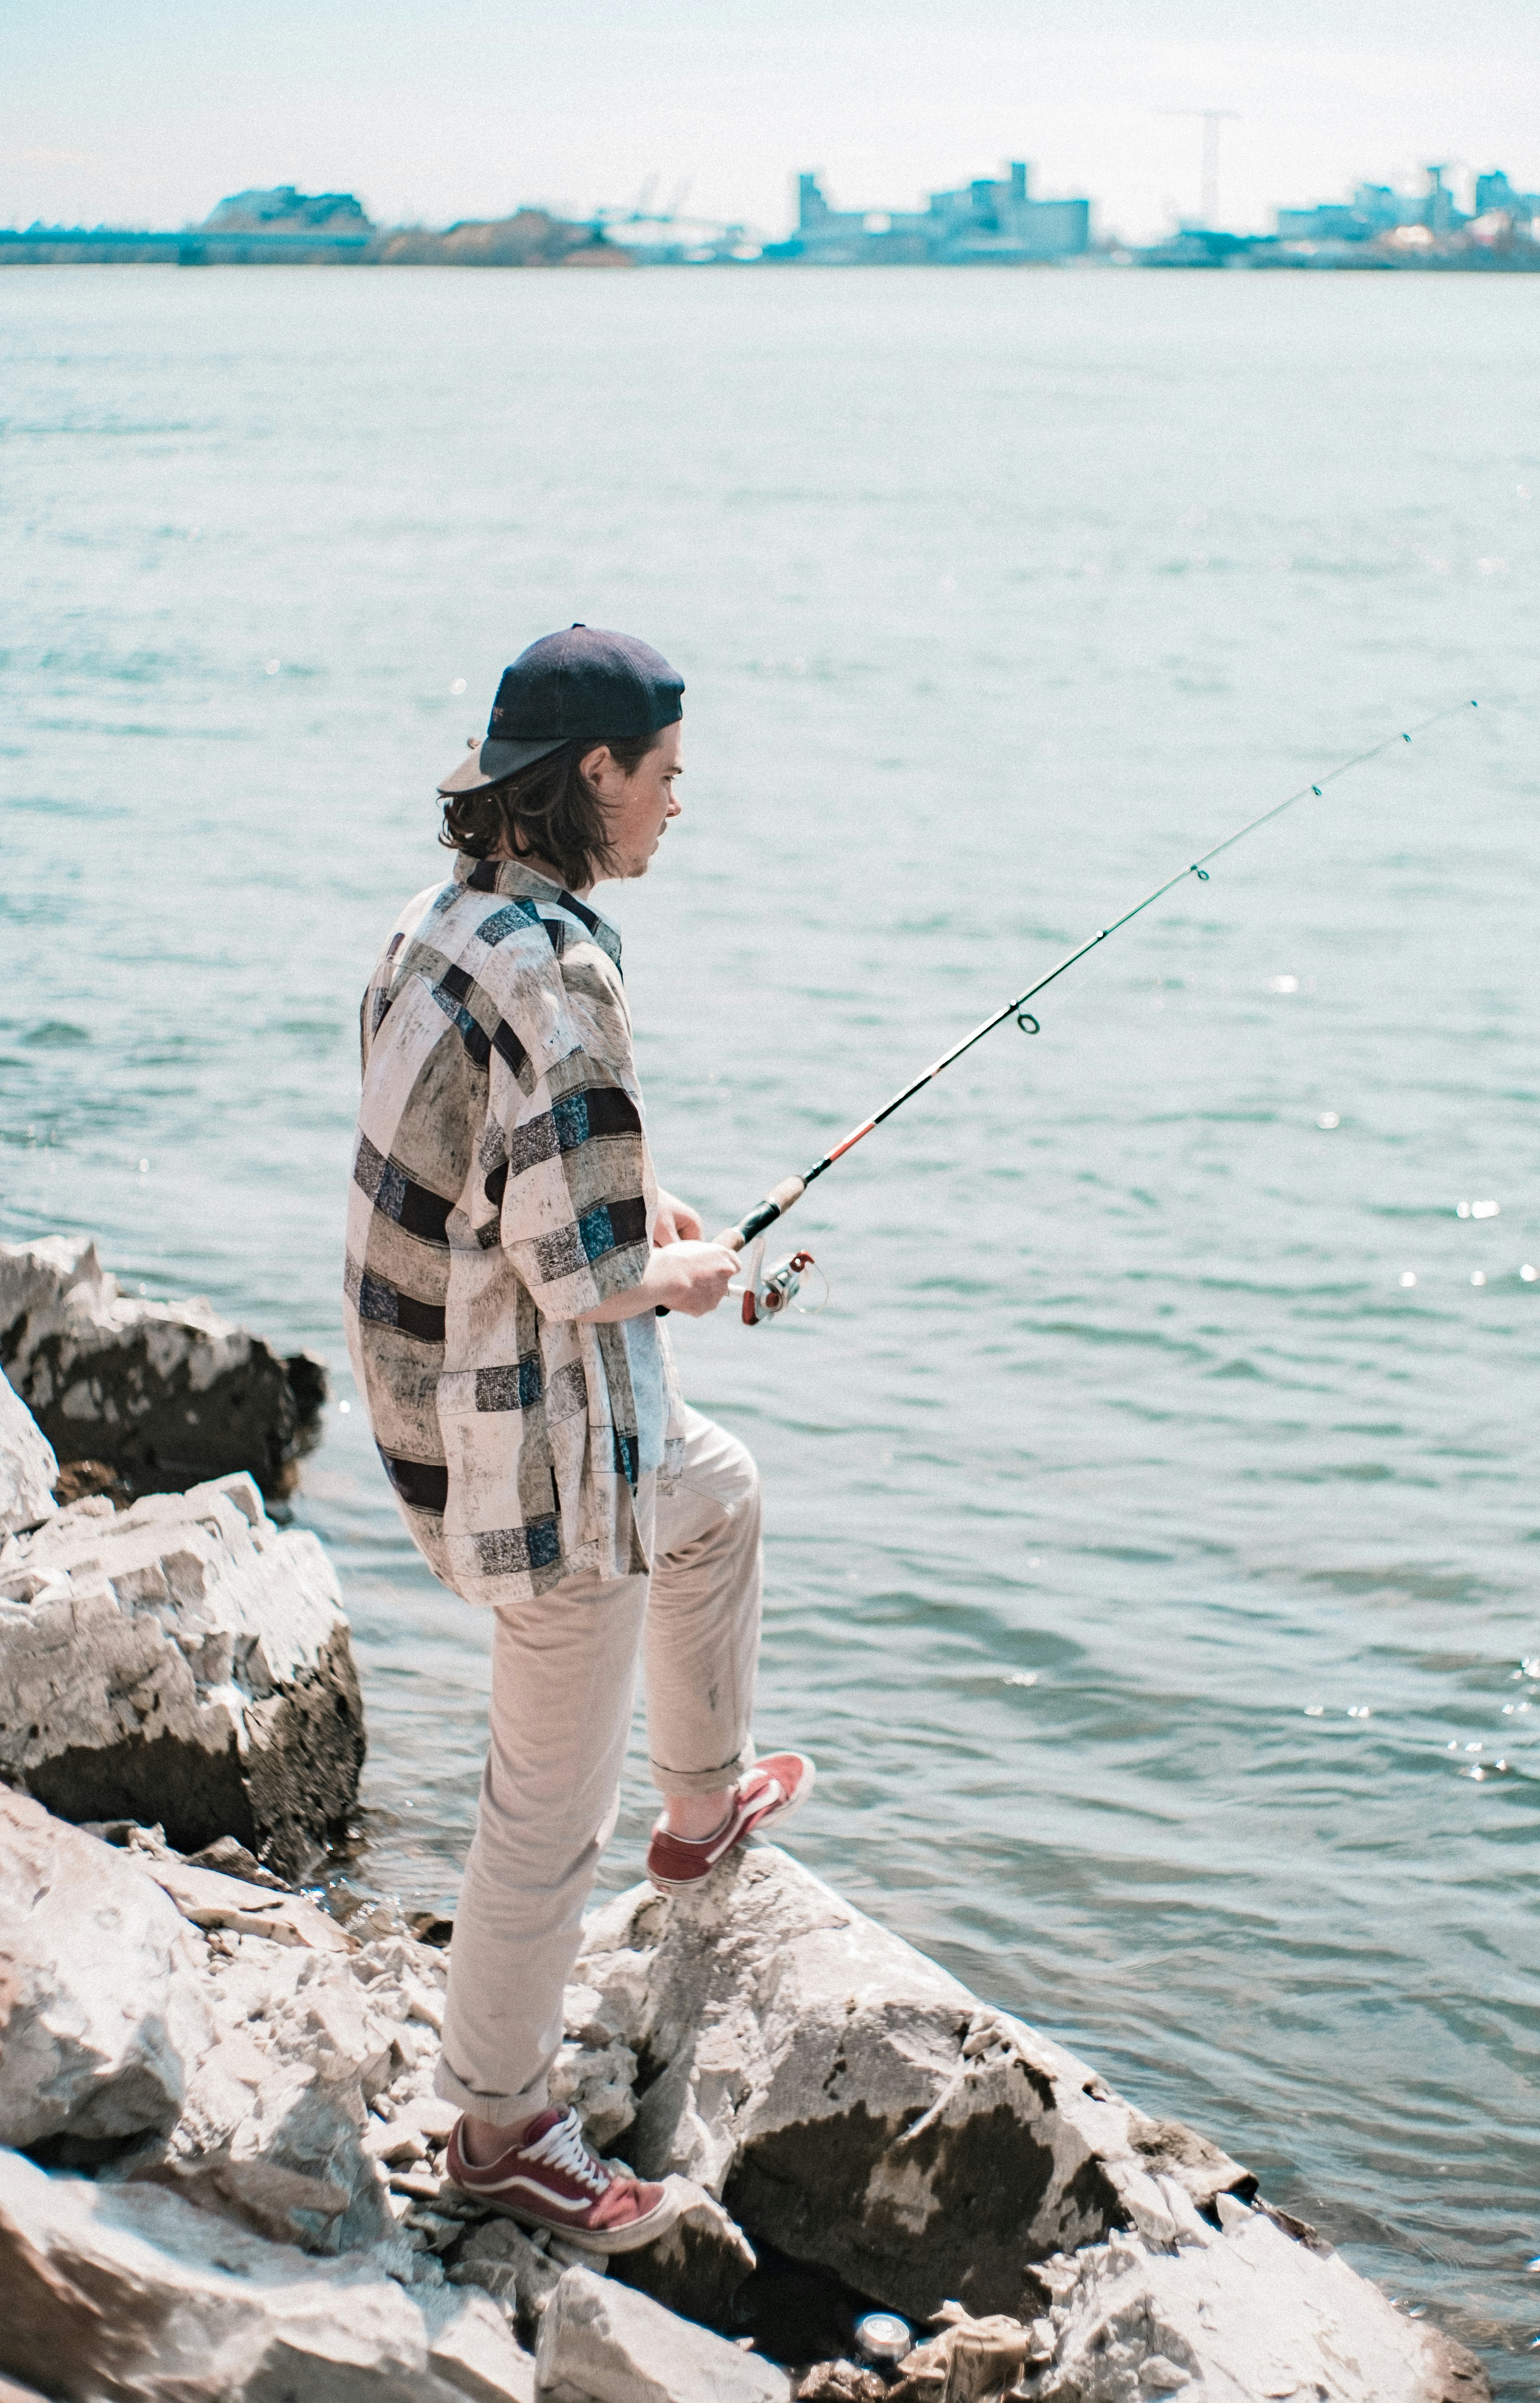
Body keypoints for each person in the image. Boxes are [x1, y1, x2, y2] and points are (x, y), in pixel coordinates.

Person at [344, 624, 814, 2248]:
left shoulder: (444, 924)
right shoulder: (568, 966)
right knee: (544, 1808)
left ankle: (703, 1819)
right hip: (537, 1454)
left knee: (721, 1495)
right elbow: (586, 1268)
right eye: (666, 777)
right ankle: (500, 2126)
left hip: (439, 1399)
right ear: (593, 776)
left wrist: (635, 1211)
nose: (680, 806)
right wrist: (677, 1264)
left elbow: (511, 1174)